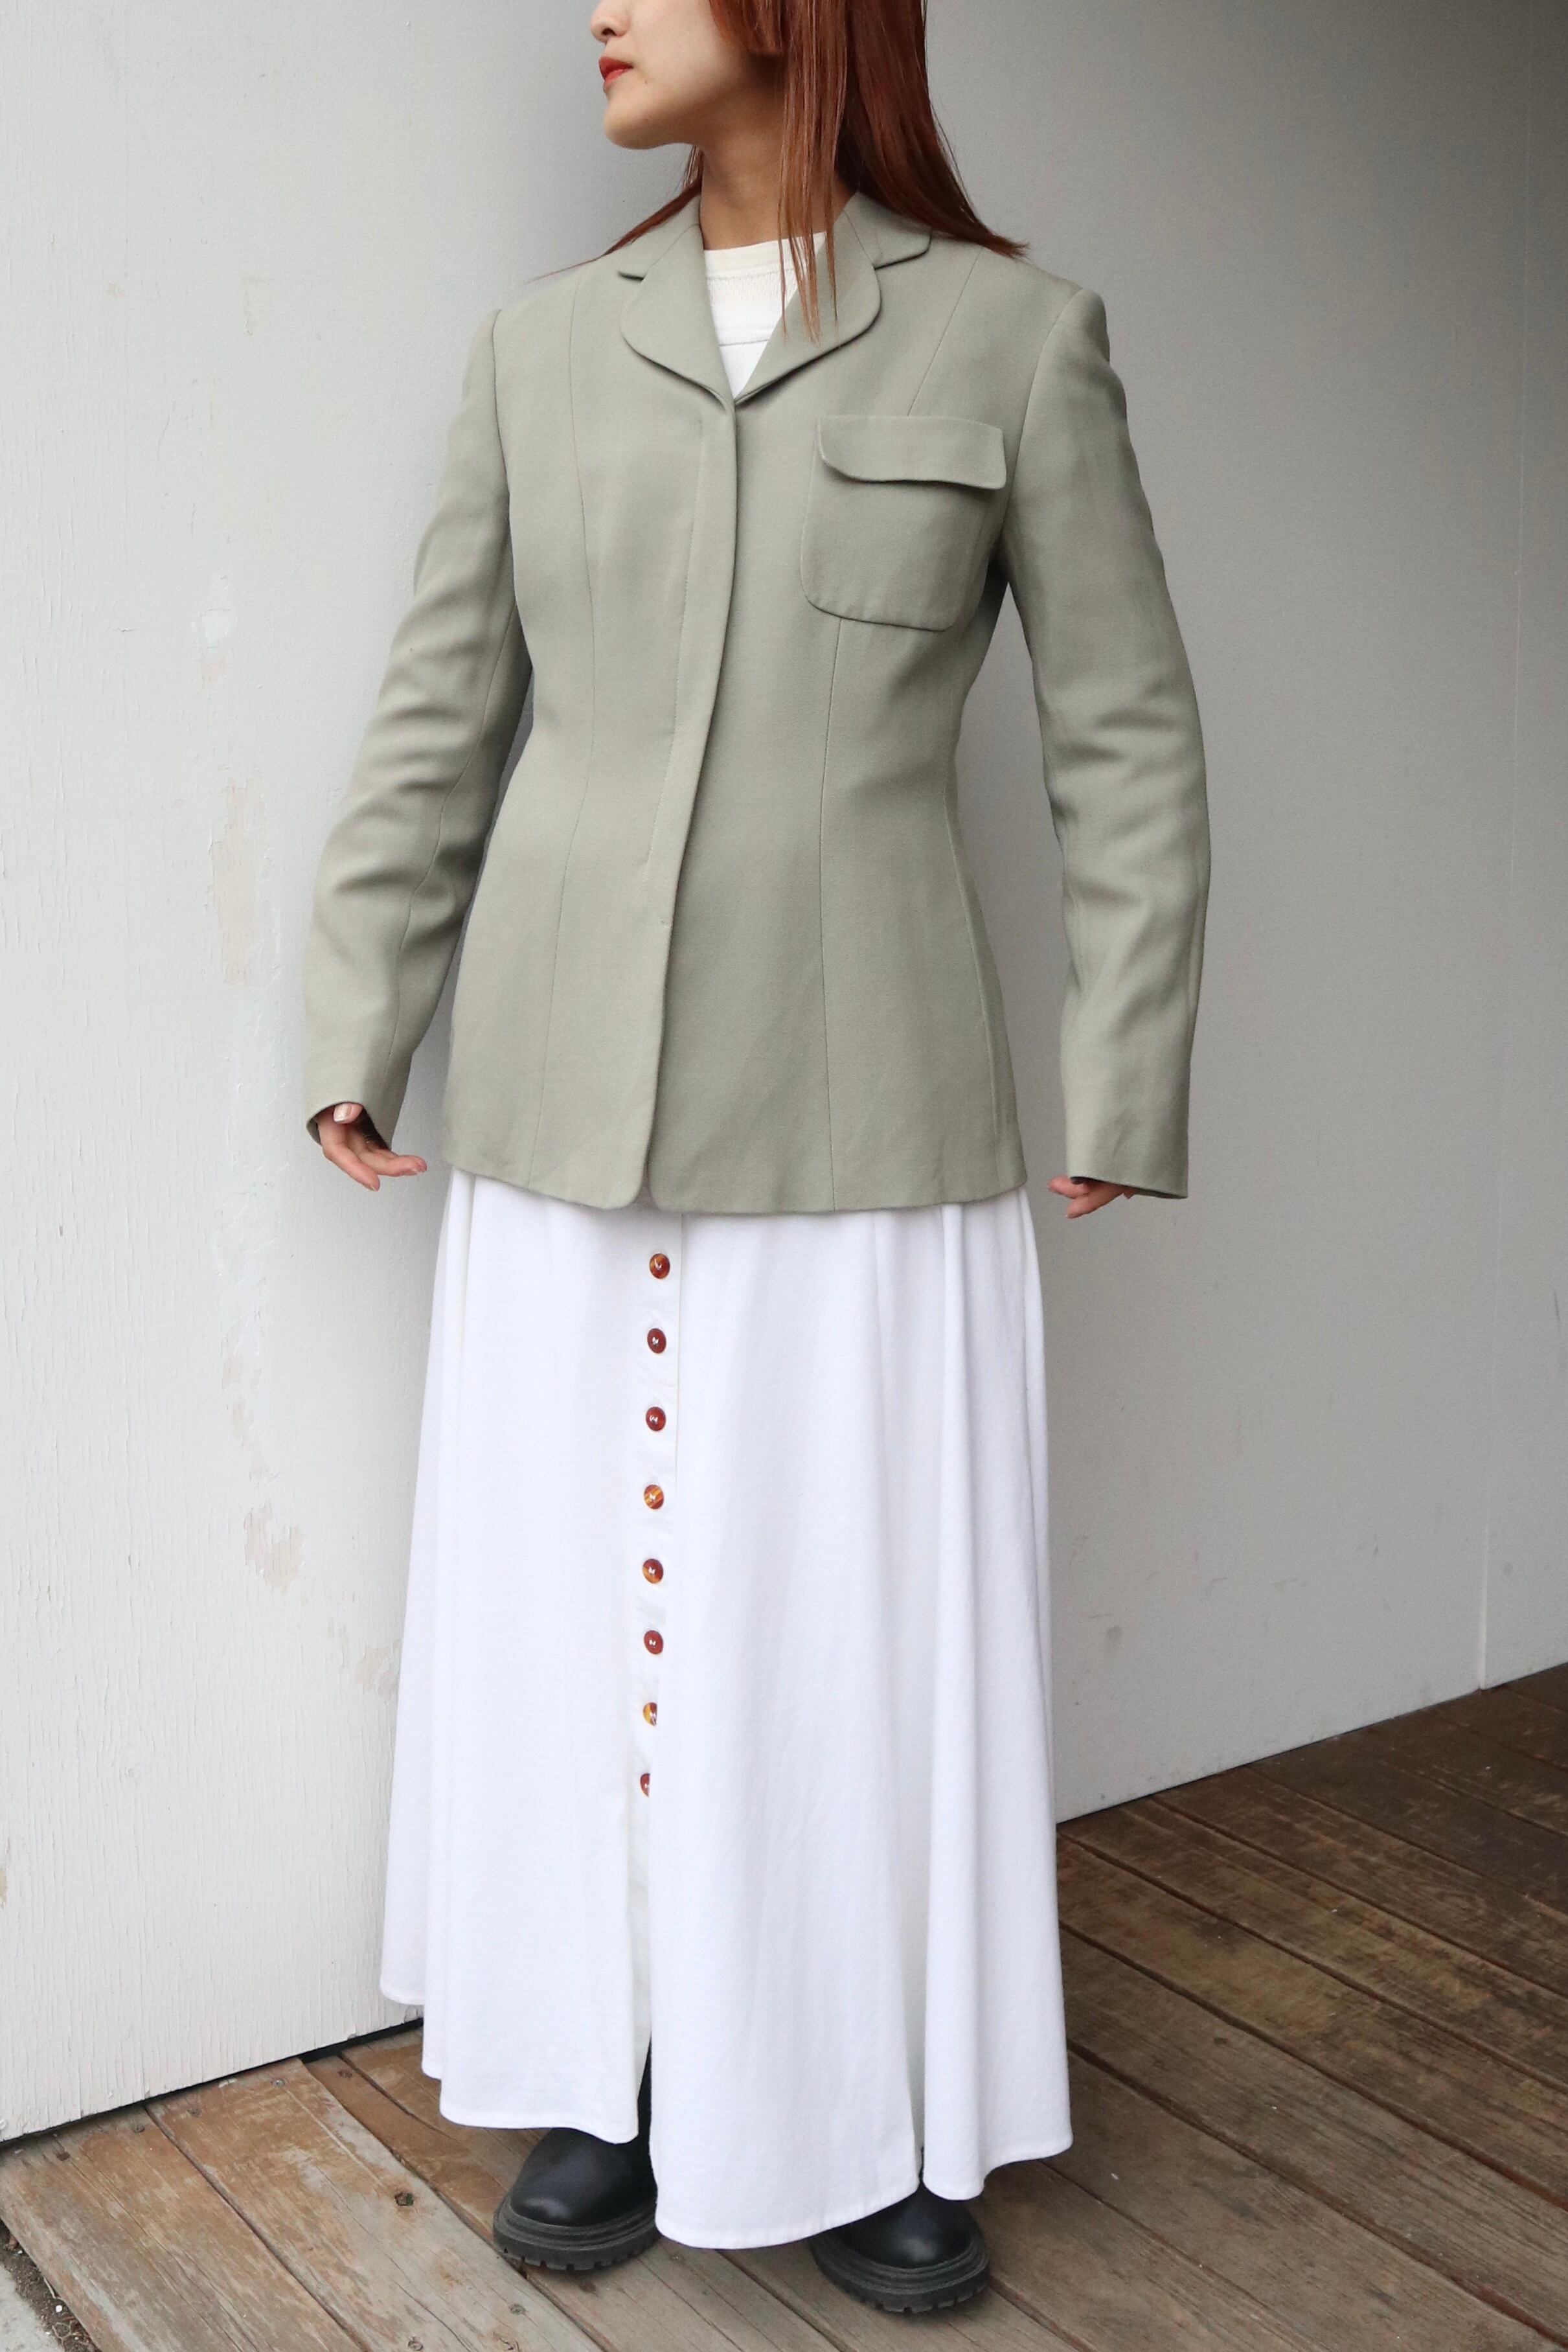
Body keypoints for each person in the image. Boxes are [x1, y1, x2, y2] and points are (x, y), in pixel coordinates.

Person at [301, 0, 1209, 2317]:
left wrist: (1123, 1079)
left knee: (845, 1625)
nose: (597, 9)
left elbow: (1124, 734)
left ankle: (876, 2103)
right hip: (561, 1096)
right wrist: (357, 1024)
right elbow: (441, 717)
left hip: (866, 1091)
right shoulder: (537, 353)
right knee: (574, 1618)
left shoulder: (1011, 339)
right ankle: (600, 2071)